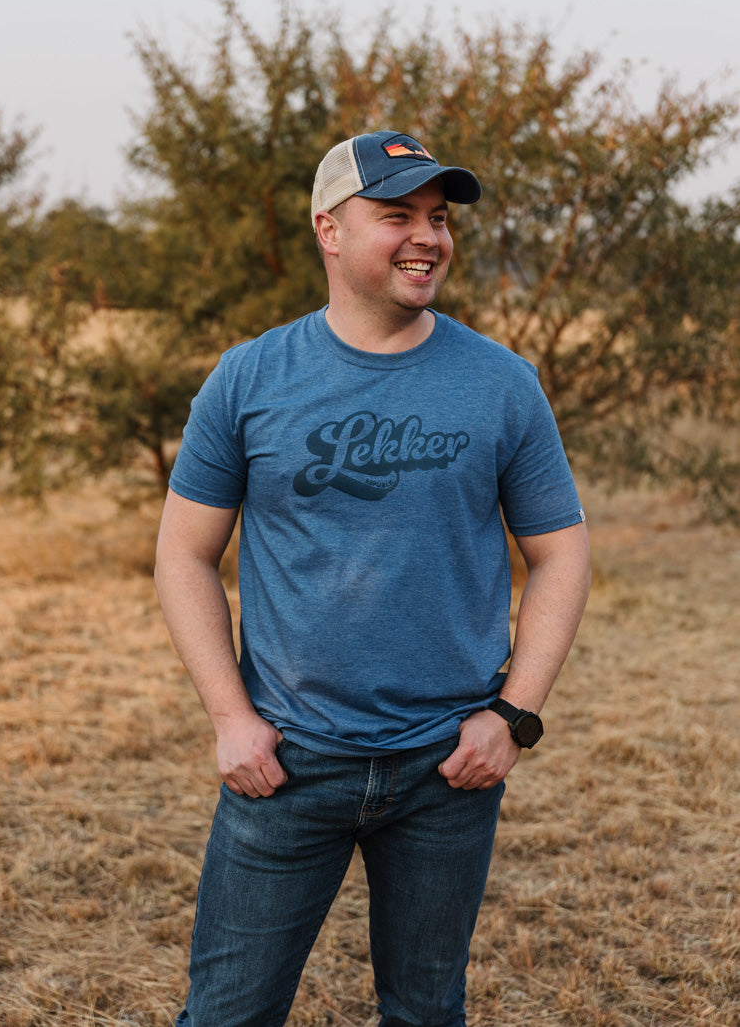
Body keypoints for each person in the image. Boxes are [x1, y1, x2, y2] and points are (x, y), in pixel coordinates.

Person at [154, 129, 591, 1027]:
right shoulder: (249, 378)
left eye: (439, 217)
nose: (427, 236)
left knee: (426, 1013)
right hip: (286, 763)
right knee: (228, 1013)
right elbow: (184, 553)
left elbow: (561, 553)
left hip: (448, 769)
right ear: (329, 229)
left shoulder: (502, 383)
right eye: (397, 214)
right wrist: (231, 719)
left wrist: (513, 716)